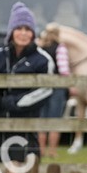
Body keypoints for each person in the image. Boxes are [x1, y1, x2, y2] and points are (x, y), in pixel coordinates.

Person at [0, 2, 56, 165]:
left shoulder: (43, 60)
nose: (23, 33)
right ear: (11, 32)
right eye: (19, 28)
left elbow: (44, 91)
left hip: (25, 129)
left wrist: (6, 102)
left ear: (33, 33)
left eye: (27, 29)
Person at [36, 22, 70, 159]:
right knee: (55, 119)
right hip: (56, 88)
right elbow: (63, 69)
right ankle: (52, 151)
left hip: (41, 87)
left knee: (42, 119)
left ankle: (41, 150)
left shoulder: (40, 47)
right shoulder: (60, 48)